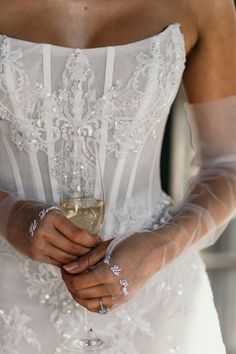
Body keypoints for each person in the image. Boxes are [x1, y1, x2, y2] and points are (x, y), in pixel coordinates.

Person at [0, 0, 235, 353]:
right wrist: (7, 214)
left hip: (157, 310)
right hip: (10, 304)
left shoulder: (205, 4)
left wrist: (163, 245)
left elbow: (228, 161)